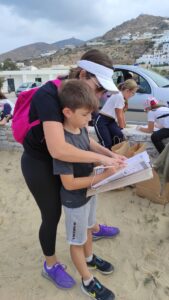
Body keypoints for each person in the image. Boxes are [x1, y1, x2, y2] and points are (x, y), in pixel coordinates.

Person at [21, 49, 125, 290]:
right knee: (52, 214)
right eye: (98, 88)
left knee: (83, 202)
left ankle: (93, 230)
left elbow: (83, 138)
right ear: (82, 73)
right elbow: (58, 149)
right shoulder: (48, 95)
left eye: (102, 92)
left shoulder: (79, 98)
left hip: (67, 156)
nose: (99, 96)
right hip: (40, 161)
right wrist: (104, 163)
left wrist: (108, 154)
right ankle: (50, 264)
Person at [53, 79, 120, 299]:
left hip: (90, 192)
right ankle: (87, 280)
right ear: (67, 111)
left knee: (90, 228)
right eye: (85, 114)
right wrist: (102, 176)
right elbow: (69, 183)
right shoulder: (61, 143)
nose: (90, 119)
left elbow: (91, 143)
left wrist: (110, 155)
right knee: (77, 241)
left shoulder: (79, 127)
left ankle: (90, 258)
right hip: (75, 200)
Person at [94, 79, 138, 149]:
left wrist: (124, 125)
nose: (133, 95)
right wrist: (122, 127)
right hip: (102, 120)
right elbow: (119, 115)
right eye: (133, 93)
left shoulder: (121, 97)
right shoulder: (119, 96)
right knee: (107, 144)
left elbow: (122, 114)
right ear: (127, 90)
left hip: (111, 121)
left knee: (118, 136)